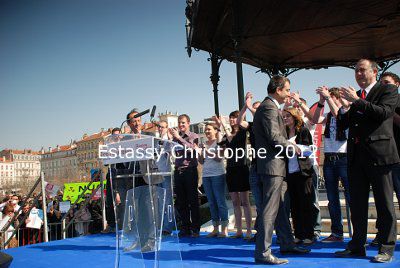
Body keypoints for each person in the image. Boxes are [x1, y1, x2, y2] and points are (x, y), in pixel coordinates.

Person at [335, 59, 399, 263]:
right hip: (356, 158)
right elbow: (344, 123)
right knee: (358, 205)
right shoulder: (358, 97)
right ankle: (356, 246)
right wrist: (345, 107)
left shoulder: (387, 90)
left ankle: (386, 247)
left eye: (362, 70)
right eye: (356, 71)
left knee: (385, 204)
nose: (358, 74)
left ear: (374, 71)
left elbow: (383, 113)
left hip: (380, 155)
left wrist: (356, 101)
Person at [253, 75, 310, 265]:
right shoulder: (269, 107)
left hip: (276, 165)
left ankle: (286, 243)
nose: (288, 94)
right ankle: (263, 253)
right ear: (278, 90)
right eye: (286, 90)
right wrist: (295, 147)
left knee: (280, 210)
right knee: (270, 211)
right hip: (272, 166)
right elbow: (274, 137)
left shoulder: (271, 107)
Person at [370, 71, 400, 246]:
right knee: (383, 199)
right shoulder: (376, 103)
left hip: (398, 158)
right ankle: (383, 234)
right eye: (381, 83)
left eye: (387, 83)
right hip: (382, 156)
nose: (383, 86)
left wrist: (388, 112)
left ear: (396, 85)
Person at [282, 107, 316, 244]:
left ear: (295, 117)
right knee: (294, 205)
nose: (285, 119)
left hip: (303, 172)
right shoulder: (283, 133)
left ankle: (308, 234)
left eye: (287, 116)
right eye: (283, 117)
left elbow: (309, 150)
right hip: (289, 173)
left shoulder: (303, 130)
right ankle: (298, 234)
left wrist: (295, 146)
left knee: (305, 204)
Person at [217, 111, 252, 239]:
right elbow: (220, 145)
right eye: (230, 118)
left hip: (241, 167)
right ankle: (238, 231)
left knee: (245, 201)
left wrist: (224, 126)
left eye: (234, 118)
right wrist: (219, 128)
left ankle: (248, 230)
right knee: (235, 202)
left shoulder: (242, 132)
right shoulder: (228, 133)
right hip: (231, 168)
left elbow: (231, 140)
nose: (232, 120)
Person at [169, 114, 200, 237]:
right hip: (178, 171)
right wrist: (172, 138)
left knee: (193, 201)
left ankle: (195, 228)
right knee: (181, 202)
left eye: (183, 123)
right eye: (179, 123)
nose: (181, 125)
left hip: (190, 170)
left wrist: (179, 138)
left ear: (188, 123)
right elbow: (168, 150)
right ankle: (185, 228)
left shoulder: (194, 136)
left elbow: (192, 149)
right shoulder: (175, 138)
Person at [196, 122, 228, 238]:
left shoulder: (219, 143)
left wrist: (207, 150)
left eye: (209, 129)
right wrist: (199, 153)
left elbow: (219, 158)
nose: (207, 132)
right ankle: (215, 228)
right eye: (206, 130)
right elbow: (201, 161)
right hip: (206, 175)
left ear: (215, 130)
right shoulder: (203, 144)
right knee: (212, 203)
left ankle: (224, 229)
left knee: (220, 202)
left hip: (218, 174)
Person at [237, 92, 261, 242]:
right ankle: (260, 232)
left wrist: (251, 105)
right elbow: (240, 121)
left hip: (269, 167)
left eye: (259, 108)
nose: (255, 111)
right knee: (258, 202)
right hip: (255, 166)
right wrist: (245, 106)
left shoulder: (269, 122)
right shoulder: (251, 126)